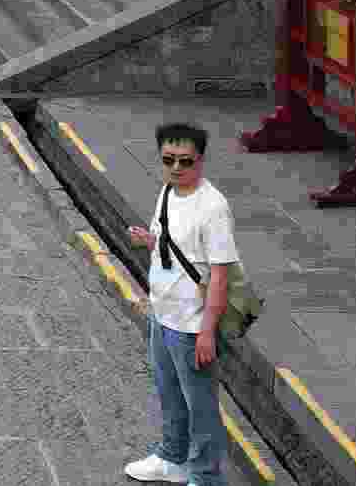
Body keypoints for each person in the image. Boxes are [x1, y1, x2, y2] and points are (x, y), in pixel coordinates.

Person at [125, 121, 238, 486]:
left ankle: (206, 477)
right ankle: (172, 457)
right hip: (163, 314)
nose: (176, 167)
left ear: (200, 160)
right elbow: (173, 246)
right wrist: (149, 241)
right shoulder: (168, 192)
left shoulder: (213, 208)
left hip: (191, 325)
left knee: (201, 406)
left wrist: (207, 332)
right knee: (169, 394)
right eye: (168, 159)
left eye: (185, 161)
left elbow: (220, 275)